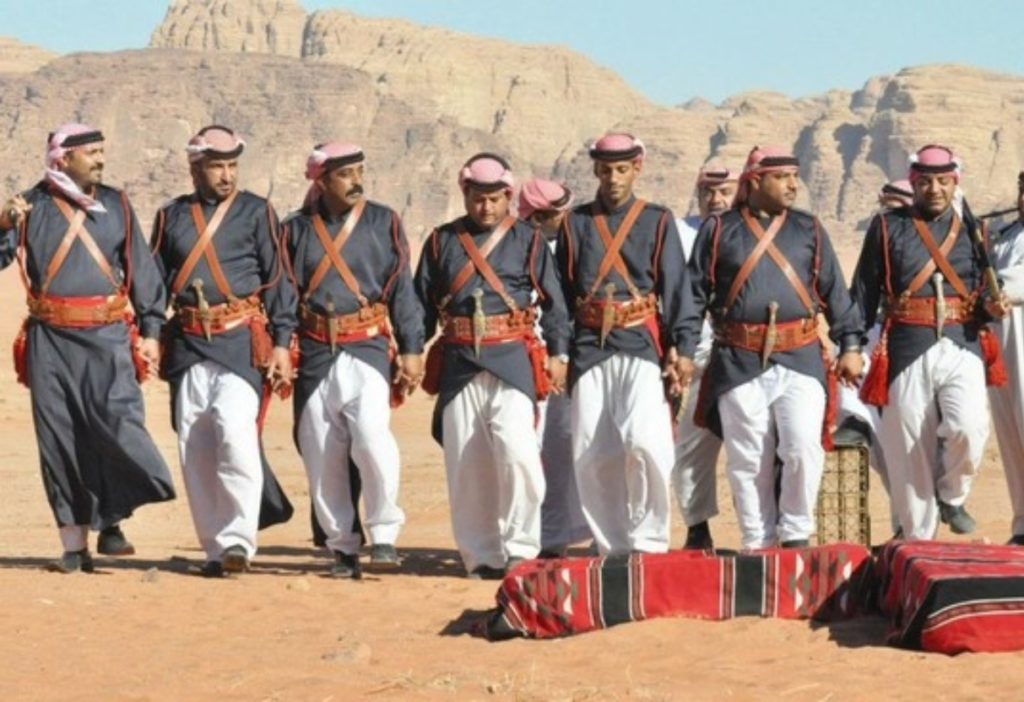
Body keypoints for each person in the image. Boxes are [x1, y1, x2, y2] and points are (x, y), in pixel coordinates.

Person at [0, 123, 175, 572]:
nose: (100, 159)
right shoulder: (29, 206)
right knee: (59, 439)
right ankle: (74, 544)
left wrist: (152, 331)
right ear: (62, 159)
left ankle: (114, 518)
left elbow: (142, 269)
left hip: (108, 337)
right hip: (50, 341)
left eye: (101, 151)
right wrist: (2, 224)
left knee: (116, 425)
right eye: (91, 152)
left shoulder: (115, 203)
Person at [681, 145, 863, 551]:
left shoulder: (809, 229)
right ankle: (758, 542)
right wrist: (682, 350)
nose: (793, 184)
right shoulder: (718, 230)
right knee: (749, 459)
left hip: (800, 354)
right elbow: (692, 297)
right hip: (737, 358)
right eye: (782, 177)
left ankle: (796, 534)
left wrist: (850, 343)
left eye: (794, 176)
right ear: (755, 181)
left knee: (802, 446)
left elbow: (835, 291)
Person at [415, 153, 570, 579]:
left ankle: (521, 548)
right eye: (478, 198)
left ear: (508, 196)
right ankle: (480, 555)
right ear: (465, 195)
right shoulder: (440, 241)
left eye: (495, 199)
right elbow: (419, 302)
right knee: (467, 463)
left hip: (513, 359)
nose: (486, 207)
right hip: (460, 359)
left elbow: (555, 301)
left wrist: (559, 353)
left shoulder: (529, 240)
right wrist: (411, 349)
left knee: (519, 455)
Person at [151, 125, 297, 577]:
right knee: (195, 447)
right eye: (217, 166)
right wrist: (150, 333)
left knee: (235, 432)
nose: (227, 175)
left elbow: (278, 280)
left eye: (232, 165)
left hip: (239, 339)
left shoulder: (258, 212)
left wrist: (282, 343)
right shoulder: (170, 216)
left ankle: (238, 539)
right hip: (190, 343)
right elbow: (154, 283)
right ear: (195, 167)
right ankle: (214, 548)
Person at [851, 144, 1010, 540]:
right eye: (926, 182)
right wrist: (851, 346)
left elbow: (986, 290)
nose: (934, 189)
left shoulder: (975, 230)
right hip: (907, 343)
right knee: (909, 449)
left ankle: (952, 496)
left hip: (962, 340)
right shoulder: (887, 227)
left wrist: (994, 303)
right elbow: (864, 291)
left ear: (954, 183)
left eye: (942, 182)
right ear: (914, 183)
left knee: (969, 426)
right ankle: (918, 540)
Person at [283, 142, 424, 578]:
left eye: (359, 172)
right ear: (321, 181)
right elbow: (283, 295)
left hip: (365, 346)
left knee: (372, 438)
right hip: (313, 353)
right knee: (322, 451)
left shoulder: (384, 221)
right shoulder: (295, 230)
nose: (356, 181)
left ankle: (383, 533)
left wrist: (412, 347)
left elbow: (402, 288)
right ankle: (341, 544)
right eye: (345, 175)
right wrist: (278, 346)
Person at [556, 133, 691, 556]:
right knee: (594, 452)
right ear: (595, 169)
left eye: (622, 169)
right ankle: (611, 546)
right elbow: (560, 295)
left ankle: (649, 542)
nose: (613, 178)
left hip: (640, 343)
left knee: (646, 443)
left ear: (637, 169)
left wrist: (682, 347)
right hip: (589, 346)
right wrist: (560, 350)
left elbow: (677, 289)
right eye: (606, 169)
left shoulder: (657, 220)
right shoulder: (575, 223)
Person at [834, 179, 913, 536]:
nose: (887, 215)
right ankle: (855, 423)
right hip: (877, 334)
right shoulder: (878, 239)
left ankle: (908, 527)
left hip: (916, 340)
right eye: (885, 207)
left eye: (896, 208)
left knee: (911, 446)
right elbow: (862, 293)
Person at [518, 177, 591, 558]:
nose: (566, 219)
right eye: (558, 214)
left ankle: (557, 535)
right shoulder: (520, 247)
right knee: (527, 452)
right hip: (523, 359)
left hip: (564, 360)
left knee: (564, 447)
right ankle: (532, 536)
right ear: (540, 216)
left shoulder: (571, 248)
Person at [672, 164, 737, 551]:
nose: (716, 200)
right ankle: (697, 529)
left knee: (756, 445)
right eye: (708, 192)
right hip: (696, 355)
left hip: (744, 351)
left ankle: (770, 536)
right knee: (692, 444)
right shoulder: (679, 233)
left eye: (725, 191)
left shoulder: (752, 229)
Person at [985, 169, 1024, 544]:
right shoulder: (1004, 238)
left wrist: (1001, 291)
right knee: (1011, 435)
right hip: (1004, 346)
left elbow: (1010, 282)